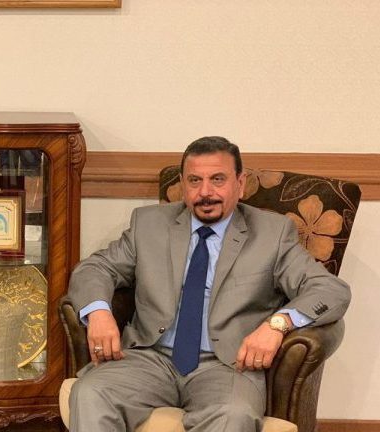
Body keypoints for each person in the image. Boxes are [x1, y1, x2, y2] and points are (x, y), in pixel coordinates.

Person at [67, 136, 350, 432]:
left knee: (232, 415)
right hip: (149, 357)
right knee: (90, 393)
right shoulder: (149, 224)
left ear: (239, 183)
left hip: (228, 365)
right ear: (182, 185)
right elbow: (94, 268)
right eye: (194, 180)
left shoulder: (272, 234)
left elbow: (330, 290)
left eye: (217, 179)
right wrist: (98, 312)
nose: (205, 192)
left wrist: (277, 324)